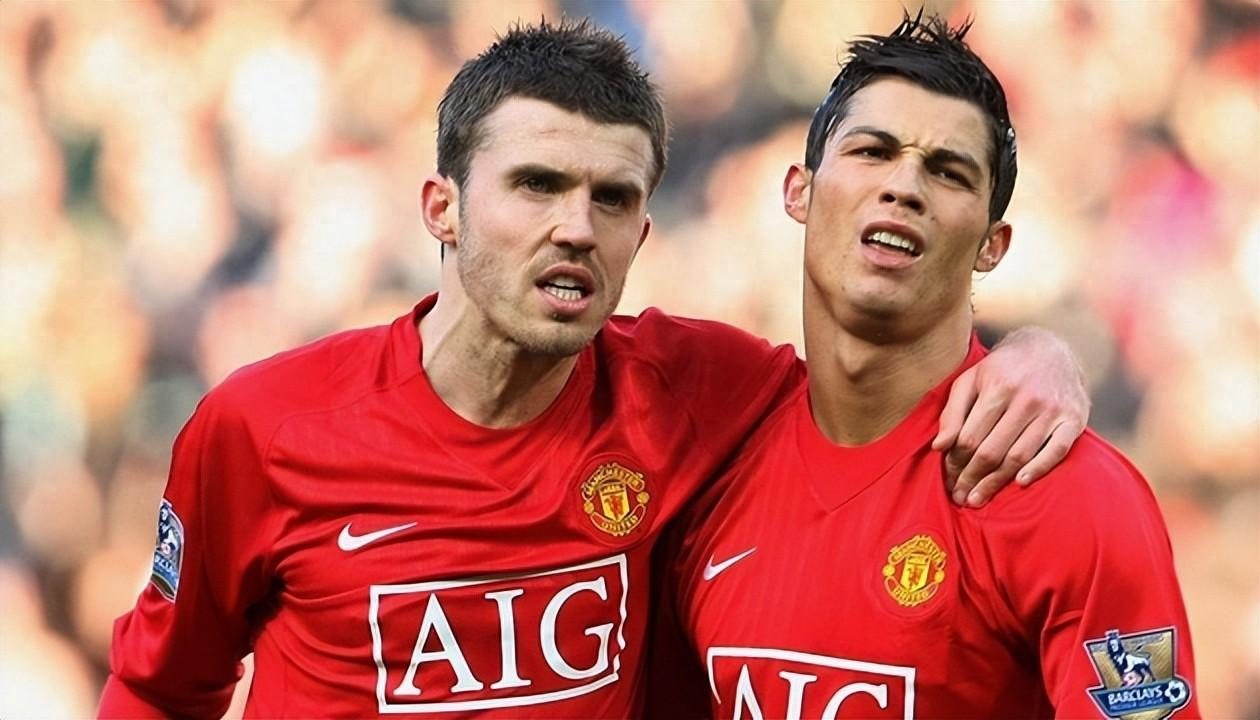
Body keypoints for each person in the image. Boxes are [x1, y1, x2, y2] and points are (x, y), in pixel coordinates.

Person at [98, 19, 1089, 719]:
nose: (575, 226)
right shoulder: (264, 428)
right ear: (442, 208)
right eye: (536, 184)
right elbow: (157, 688)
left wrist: (1041, 356)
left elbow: (876, 386)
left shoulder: (691, 391)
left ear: (641, 233)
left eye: (612, 199)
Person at [657, 12, 1198, 719]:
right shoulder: (708, 449)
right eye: (872, 151)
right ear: (798, 192)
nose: (904, 186)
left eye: (948, 172)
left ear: (992, 246)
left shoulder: (1077, 497)